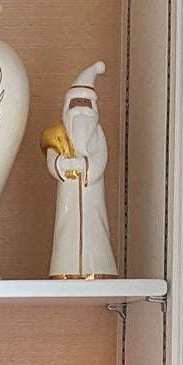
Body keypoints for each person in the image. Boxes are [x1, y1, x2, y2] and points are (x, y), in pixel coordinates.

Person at [40, 62, 117, 279]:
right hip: (69, 196)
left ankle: (99, 269)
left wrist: (83, 166)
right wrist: (62, 166)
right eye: (77, 103)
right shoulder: (60, 133)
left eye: (86, 103)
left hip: (91, 195)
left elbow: (100, 160)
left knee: (95, 228)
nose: (81, 109)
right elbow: (52, 157)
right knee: (67, 231)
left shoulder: (97, 134)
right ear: (67, 108)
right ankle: (65, 270)